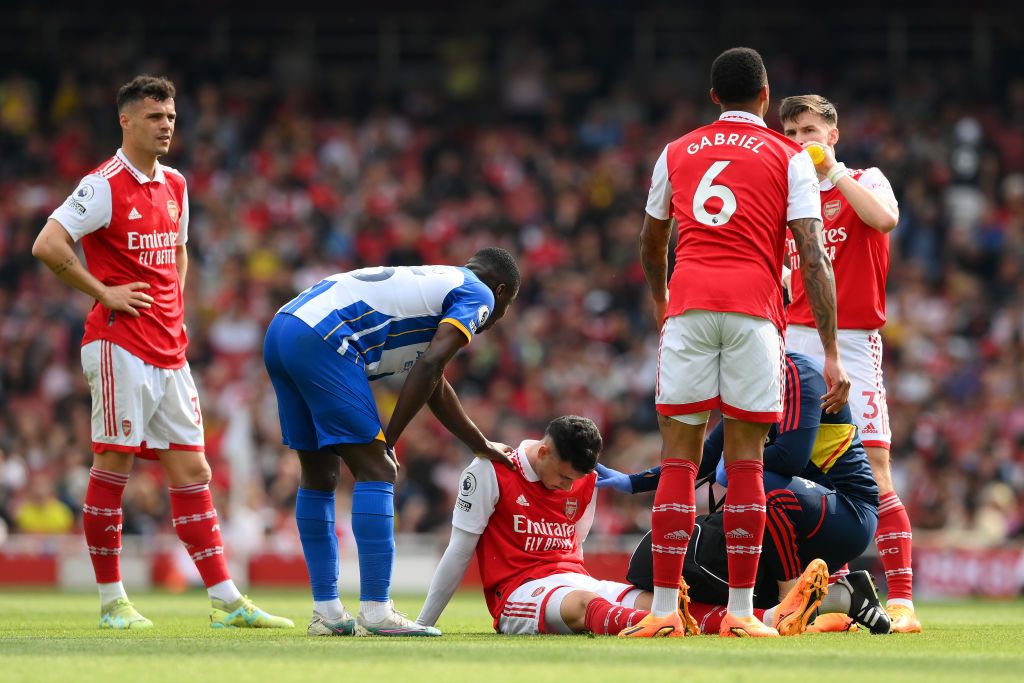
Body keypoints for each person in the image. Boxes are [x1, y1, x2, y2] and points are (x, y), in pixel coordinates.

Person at [31, 75, 291, 630]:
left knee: (193, 466)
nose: (166, 125)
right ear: (125, 121)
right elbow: (47, 243)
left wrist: (171, 306)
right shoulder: (101, 185)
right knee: (115, 462)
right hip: (116, 343)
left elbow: (178, 252)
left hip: (169, 349)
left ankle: (224, 599)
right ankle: (112, 602)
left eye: (170, 116)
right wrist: (104, 292)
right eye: (154, 117)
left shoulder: (176, 184)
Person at [630, 47, 849, 638]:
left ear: (712, 99)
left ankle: (659, 615)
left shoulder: (675, 151)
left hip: (690, 306)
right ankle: (741, 613)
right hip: (755, 312)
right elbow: (811, 251)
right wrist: (829, 350)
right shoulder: (788, 155)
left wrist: (661, 302)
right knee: (746, 460)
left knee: (679, 456)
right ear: (764, 95)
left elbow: (652, 243)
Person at [263, 251, 519, 637]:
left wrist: (479, 443)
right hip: (326, 337)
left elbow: (435, 381)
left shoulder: (437, 283)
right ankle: (377, 611)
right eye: (506, 307)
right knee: (378, 469)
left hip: (285, 327)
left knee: (318, 473)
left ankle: (327, 612)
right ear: (500, 291)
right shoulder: (479, 294)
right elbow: (430, 366)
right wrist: (390, 441)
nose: (496, 319)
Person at [599, 351, 890, 634]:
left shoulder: (798, 374)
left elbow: (792, 457)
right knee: (742, 575)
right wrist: (633, 482)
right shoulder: (746, 387)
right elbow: (702, 461)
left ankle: (788, 596)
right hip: (800, 516)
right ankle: (846, 597)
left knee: (759, 487)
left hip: (849, 513)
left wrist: (737, 463)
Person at [779, 94, 919, 633]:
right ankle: (835, 594)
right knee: (810, 473)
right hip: (794, 340)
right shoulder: (785, 193)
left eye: (810, 129)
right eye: (793, 132)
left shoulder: (867, 177)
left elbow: (883, 220)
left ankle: (902, 600)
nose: (802, 140)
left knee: (876, 469)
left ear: (833, 134)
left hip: (855, 341)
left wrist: (833, 172)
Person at [414, 416, 704, 637]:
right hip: (520, 589)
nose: (568, 486)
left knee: (662, 603)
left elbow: (576, 544)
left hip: (574, 579)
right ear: (543, 452)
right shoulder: (490, 469)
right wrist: (423, 624)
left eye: (574, 479)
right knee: (583, 605)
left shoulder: (586, 479)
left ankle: (739, 617)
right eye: (564, 477)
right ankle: (654, 627)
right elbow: (459, 551)